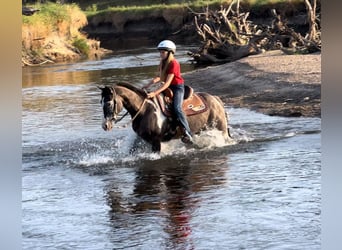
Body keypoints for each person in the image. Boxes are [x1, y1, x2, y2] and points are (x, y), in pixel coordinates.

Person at [142, 40, 193, 144]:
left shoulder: (174, 63)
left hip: (177, 87)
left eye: (163, 52)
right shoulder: (162, 62)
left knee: (177, 108)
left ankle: (187, 132)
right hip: (167, 87)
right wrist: (148, 84)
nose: (161, 54)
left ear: (170, 52)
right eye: (160, 52)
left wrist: (154, 93)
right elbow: (159, 77)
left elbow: (167, 83)